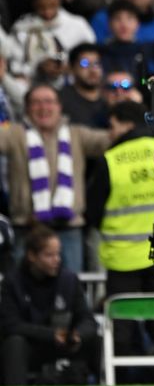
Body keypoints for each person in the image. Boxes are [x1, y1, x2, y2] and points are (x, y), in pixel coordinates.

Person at [86, 101, 154, 379]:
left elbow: (92, 211)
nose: (110, 132)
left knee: (121, 330)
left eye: (111, 126)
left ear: (121, 122)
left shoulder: (112, 159)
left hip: (123, 257)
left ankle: (123, 383)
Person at [0, 84, 111, 272]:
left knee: (71, 289)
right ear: (27, 108)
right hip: (27, 228)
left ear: (60, 107)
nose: (44, 108)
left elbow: (111, 139)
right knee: (20, 293)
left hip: (69, 230)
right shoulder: (15, 134)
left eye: (49, 102)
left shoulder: (76, 134)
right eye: (36, 103)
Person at [0, 224, 98, 386]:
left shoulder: (69, 280)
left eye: (58, 254)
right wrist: (51, 335)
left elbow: (88, 320)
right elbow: (10, 324)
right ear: (32, 256)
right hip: (31, 348)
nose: (57, 260)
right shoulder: (12, 282)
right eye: (49, 255)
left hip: (64, 347)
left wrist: (77, 335)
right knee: (14, 343)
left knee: (96, 341)